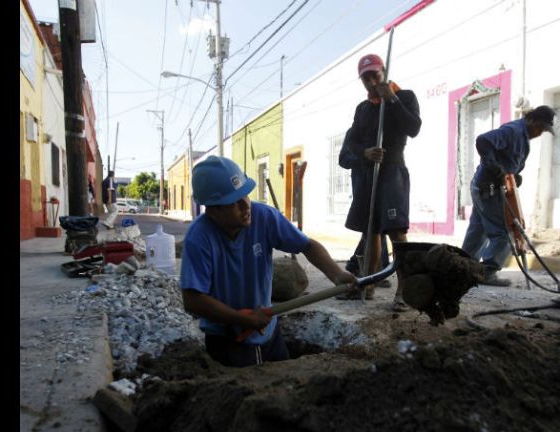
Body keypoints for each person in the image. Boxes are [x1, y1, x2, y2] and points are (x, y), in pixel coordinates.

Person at [180, 156, 357, 367]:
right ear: (213, 209)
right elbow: (193, 299)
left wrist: (337, 274)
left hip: (269, 332)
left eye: (245, 195)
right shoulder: (199, 238)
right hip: (227, 339)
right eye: (234, 201)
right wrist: (242, 319)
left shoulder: (264, 217)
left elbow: (307, 246)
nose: (245, 205)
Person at [341, 53, 422, 311]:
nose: (371, 81)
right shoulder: (363, 109)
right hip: (369, 174)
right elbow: (351, 142)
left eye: (375, 74)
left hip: (393, 172)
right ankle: (368, 284)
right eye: (366, 77)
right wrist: (364, 153)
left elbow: (414, 128)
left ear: (384, 71)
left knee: (397, 231)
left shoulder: (405, 96)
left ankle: (404, 291)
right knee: (371, 231)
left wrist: (393, 99)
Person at [461, 105, 556, 286]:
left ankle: (464, 268)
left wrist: (513, 174)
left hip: (485, 187)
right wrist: (494, 167)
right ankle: (487, 272)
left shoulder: (522, 135)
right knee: (505, 232)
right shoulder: (513, 131)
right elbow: (483, 141)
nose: (539, 133)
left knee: (478, 230)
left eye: (543, 131)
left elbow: (507, 159)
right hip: (488, 187)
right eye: (539, 128)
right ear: (531, 120)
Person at [337, 127, 391, 287]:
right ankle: (367, 269)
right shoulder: (355, 132)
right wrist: (364, 156)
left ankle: (365, 267)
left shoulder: (385, 128)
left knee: (377, 228)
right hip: (363, 185)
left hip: (385, 185)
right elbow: (343, 159)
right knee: (372, 228)